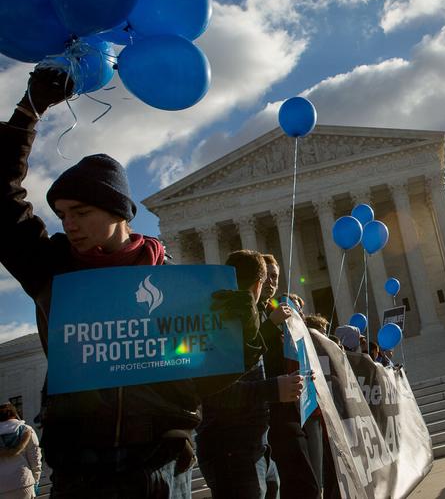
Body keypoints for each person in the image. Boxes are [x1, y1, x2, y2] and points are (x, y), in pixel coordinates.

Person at [0, 68, 265, 497]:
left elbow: (201, 379)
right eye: (63, 214)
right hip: (80, 466)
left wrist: (244, 333)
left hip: (161, 466)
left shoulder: (175, 282)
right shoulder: (51, 270)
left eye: (82, 213)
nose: (70, 225)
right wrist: (28, 110)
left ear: (119, 213)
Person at [196, 250, 304, 499]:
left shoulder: (241, 316)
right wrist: (273, 389)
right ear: (259, 283)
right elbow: (212, 392)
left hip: (255, 441)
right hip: (232, 446)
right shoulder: (222, 321)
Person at [258, 258, 322, 499]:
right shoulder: (254, 315)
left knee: (306, 485)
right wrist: (270, 324)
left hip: (294, 407)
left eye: (275, 276)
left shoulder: (273, 310)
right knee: (304, 487)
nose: (271, 282)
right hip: (272, 410)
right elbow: (248, 353)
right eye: (266, 276)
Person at [0, 403, 41, 499]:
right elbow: (35, 459)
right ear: (14, 414)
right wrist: (36, 480)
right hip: (23, 483)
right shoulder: (26, 430)